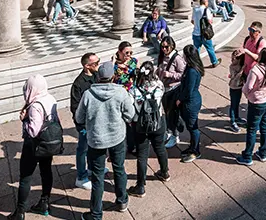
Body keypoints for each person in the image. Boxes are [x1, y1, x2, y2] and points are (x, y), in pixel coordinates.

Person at [76, 62, 134, 218]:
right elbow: (130, 114)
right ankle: (121, 201)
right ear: (113, 77)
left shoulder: (88, 94)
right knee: (119, 169)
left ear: (98, 77)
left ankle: (96, 214)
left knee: (97, 177)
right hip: (117, 138)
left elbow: (79, 117)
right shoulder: (121, 93)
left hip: (96, 140)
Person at [9, 75, 61, 219]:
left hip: (33, 145)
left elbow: (33, 131)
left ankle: (20, 212)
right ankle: (44, 203)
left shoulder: (35, 106)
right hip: (47, 143)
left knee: (25, 177)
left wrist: (24, 119)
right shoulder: (50, 98)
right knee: (46, 171)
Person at [128, 61, 169, 198]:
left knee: (142, 155)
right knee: (160, 147)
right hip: (158, 122)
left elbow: (129, 109)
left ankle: (140, 186)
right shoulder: (159, 86)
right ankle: (164, 172)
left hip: (140, 125)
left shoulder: (133, 90)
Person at [235, 48, 266, 165]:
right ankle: (262, 153)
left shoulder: (256, 70)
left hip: (257, 102)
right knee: (265, 127)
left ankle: (247, 156)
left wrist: (246, 93)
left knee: (252, 129)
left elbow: (248, 87)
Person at [70, 52, 99, 189]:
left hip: (96, 120)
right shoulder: (78, 84)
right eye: (96, 63)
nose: (98, 65)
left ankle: (92, 168)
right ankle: (81, 176)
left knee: (93, 147)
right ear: (87, 66)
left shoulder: (96, 76)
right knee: (82, 149)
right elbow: (75, 107)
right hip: (85, 124)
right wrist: (82, 125)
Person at [156, 38, 186, 148]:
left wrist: (170, 75)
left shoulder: (177, 58)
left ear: (172, 46)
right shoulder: (162, 56)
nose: (164, 49)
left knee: (172, 114)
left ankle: (175, 135)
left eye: (166, 47)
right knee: (167, 113)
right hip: (164, 88)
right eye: (162, 47)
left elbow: (183, 74)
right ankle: (169, 131)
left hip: (173, 89)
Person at [177, 45, 204, 163]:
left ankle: (196, 151)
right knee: (191, 126)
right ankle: (192, 147)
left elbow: (189, 89)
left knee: (193, 127)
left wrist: (180, 99)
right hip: (191, 100)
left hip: (191, 102)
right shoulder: (191, 67)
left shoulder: (192, 71)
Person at [191, 0, 219, 68]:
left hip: (196, 33)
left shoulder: (195, 9)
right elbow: (210, 21)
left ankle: (194, 63)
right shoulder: (206, 10)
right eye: (207, 2)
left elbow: (192, 21)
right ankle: (214, 62)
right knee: (210, 48)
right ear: (205, 2)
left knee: (196, 50)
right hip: (205, 34)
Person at [227, 50, 247, 132]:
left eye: (237, 58)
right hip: (234, 87)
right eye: (233, 57)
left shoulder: (239, 64)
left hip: (239, 87)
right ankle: (232, 121)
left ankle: (236, 117)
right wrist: (242, 69)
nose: (234, 59)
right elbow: (235, 77)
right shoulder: (232, 67)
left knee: (237, 103)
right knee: (233, 104)